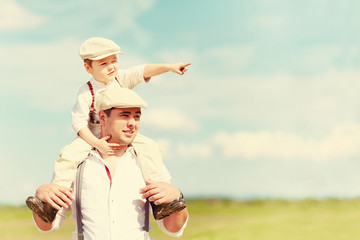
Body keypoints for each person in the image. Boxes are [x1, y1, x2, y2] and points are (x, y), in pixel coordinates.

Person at [26, 37, 190, 220]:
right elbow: (79, 123)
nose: (112, 67)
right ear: (89, 68)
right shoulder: (86, 92)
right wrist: (97, 143)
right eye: (104, 64)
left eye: (114, 61)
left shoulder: (121, 78)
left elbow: (143, 70)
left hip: (120, 131)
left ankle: (161, 203)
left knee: (149, 148)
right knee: (69, 155)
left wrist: (169, 67)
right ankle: (51, 205)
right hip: (92, 134)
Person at [31, 88, 189, 239]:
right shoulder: (76, 161)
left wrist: (177, 197)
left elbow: (173, 229)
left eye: (137, 116)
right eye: (125, 116)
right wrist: (42, 197)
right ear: (102, 118)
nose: (132, 123)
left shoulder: (147, 161)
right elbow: (47, 227)